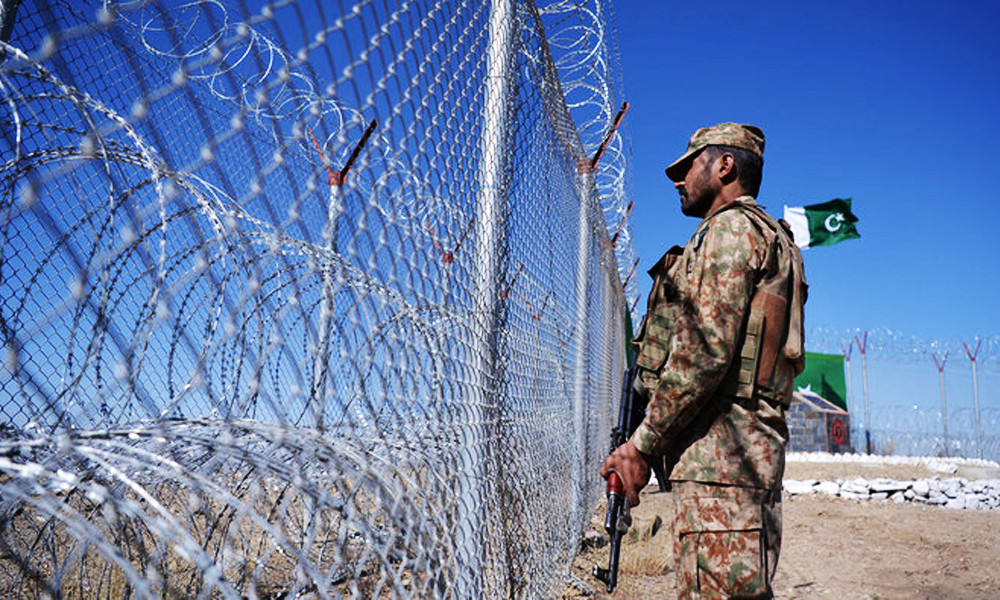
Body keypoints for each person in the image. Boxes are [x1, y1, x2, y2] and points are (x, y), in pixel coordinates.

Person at [600, 122, 807, 599]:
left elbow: (703, 353)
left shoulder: (731, 230)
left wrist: (643, 446)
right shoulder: (770, 237)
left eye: (688, 166)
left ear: (724, 165)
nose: (677, 179)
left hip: (722, 461)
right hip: (737, 463)